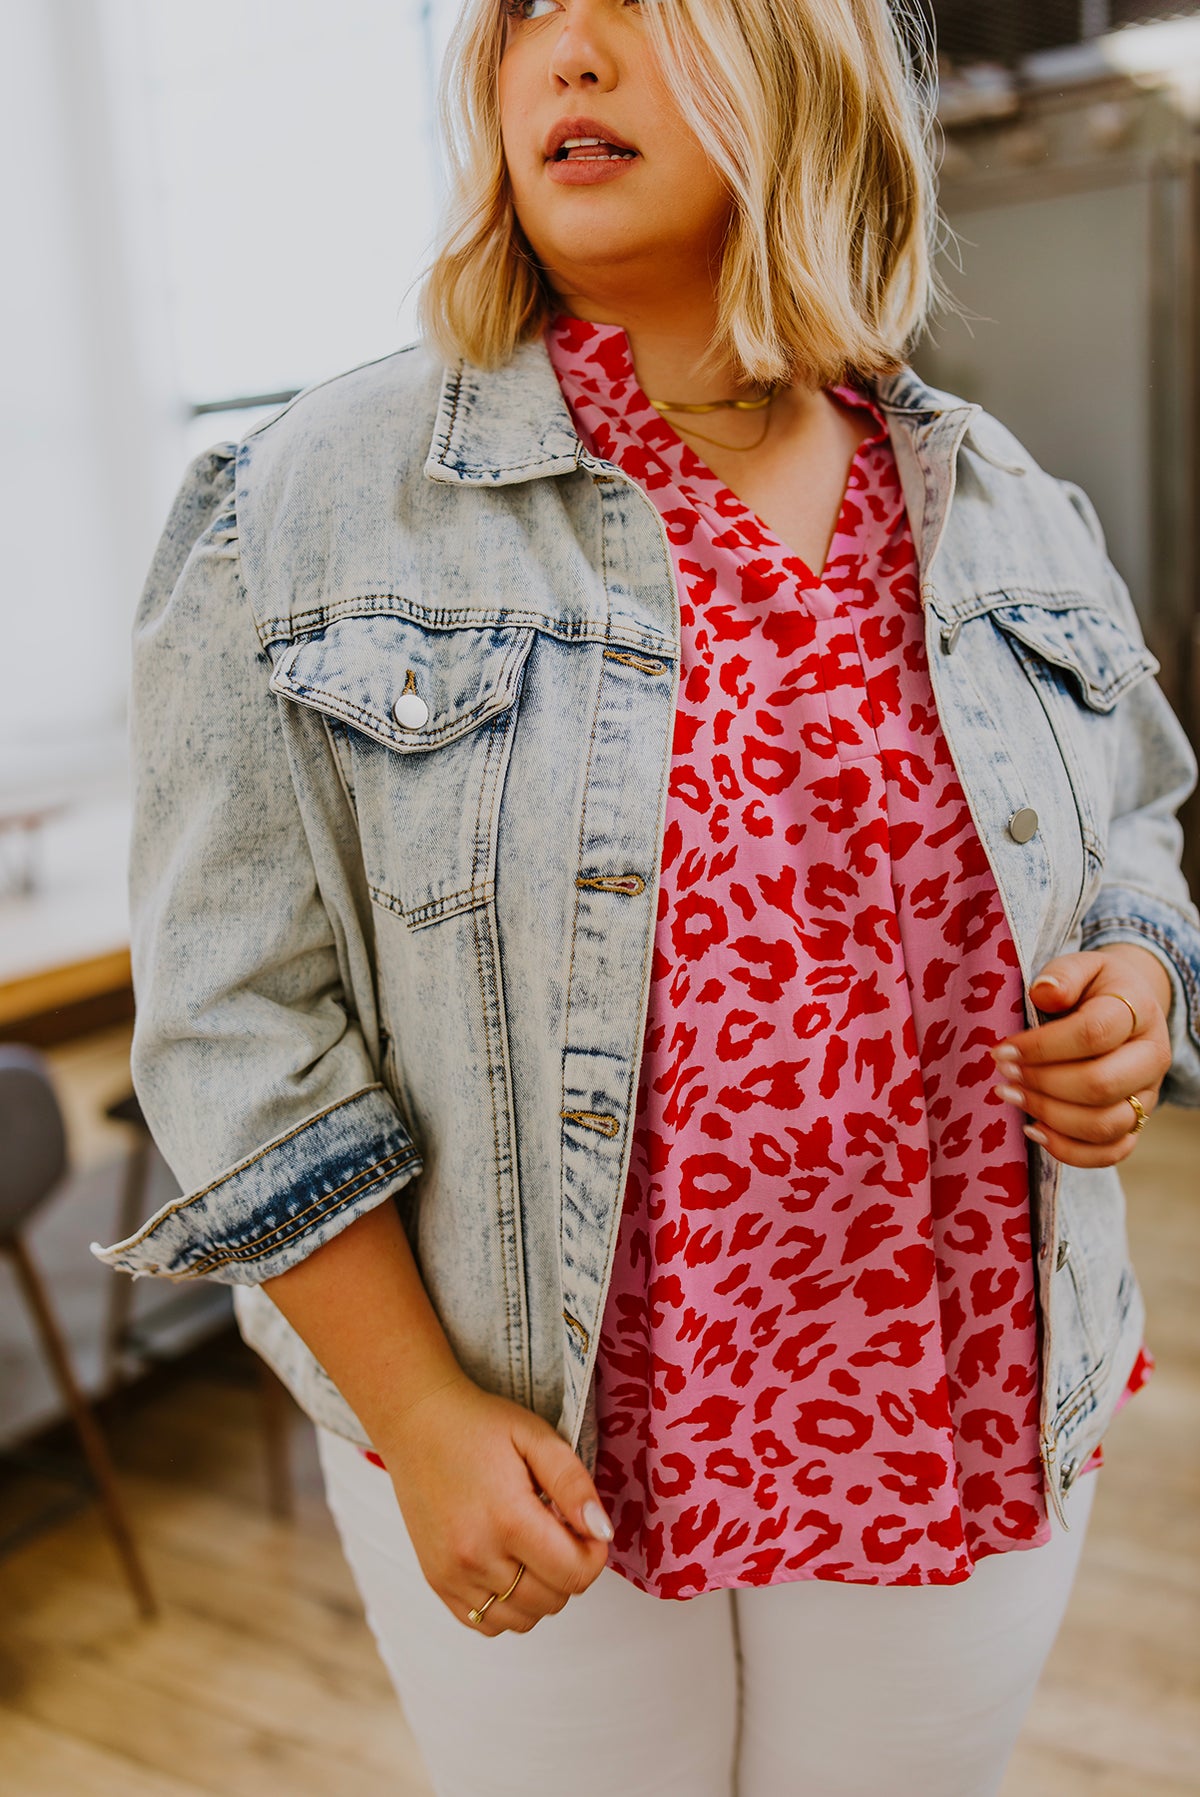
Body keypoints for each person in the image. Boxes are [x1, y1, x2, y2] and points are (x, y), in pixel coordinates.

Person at [95, 1, 1200, 1792]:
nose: (567, 55)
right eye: (530, 14)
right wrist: (418, 1413)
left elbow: (1138, 821)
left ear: (806, 68)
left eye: (641, 6)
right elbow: (233, 1023)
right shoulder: (305, 503)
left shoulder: (1004, 503)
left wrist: (1137, 990)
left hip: (962, 1385)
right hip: (536, 1426)